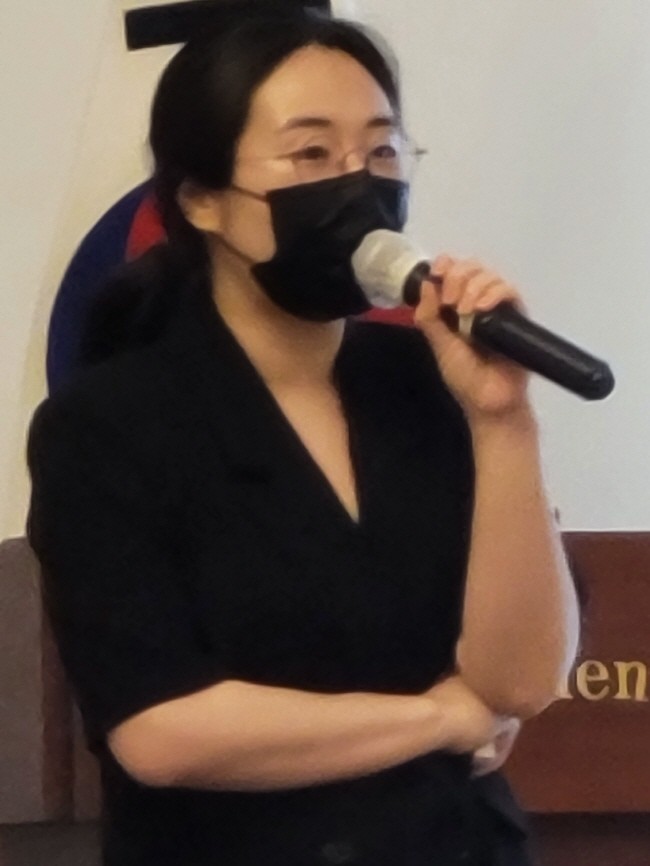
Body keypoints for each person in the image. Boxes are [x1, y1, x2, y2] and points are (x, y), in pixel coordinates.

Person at [26, 6, 580, 865]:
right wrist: (440, 718)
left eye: (382, 151)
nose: (357, 186)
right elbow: (162, 732)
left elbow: (521, 681)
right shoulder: (107, 425)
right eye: (311, 154)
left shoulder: (431, 383)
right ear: (202, 199)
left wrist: (504, 421)